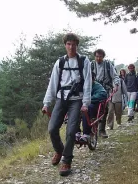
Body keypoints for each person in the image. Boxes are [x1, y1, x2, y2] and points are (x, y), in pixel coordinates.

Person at [42, 33, 92, 176]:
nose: (71, 47)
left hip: (77, 100)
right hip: (61, 98)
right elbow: (52, 83)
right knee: (52, 128)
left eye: (73, 44)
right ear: (65, 45)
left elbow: (87, 82)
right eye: (68, 44)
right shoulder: (60, 62)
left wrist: (85, 103)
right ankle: (59, 150)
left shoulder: (84, 61)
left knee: (71, 131)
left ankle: (67, 160)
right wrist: (46, 103)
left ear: (77, 45)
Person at [91, 49, 119, 137]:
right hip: (93, 88)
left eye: (100, 56)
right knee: (92, 106)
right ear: (94, 56)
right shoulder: (91, 65)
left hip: (105, 89)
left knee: (104, 109)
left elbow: (114, 76)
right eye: (97, 56)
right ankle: (91, 128)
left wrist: (116, 85)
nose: (98, 58)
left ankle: (101, 130)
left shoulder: (107, 65)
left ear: (103, 57)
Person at [80, 72, 107, 142]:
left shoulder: (96, 86)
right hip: (82, 105)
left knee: (87, 109)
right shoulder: (81, 86)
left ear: (93, 79)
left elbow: (103, 94)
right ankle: (77, 132)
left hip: (94, 106)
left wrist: (88, 99)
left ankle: (86, 134)